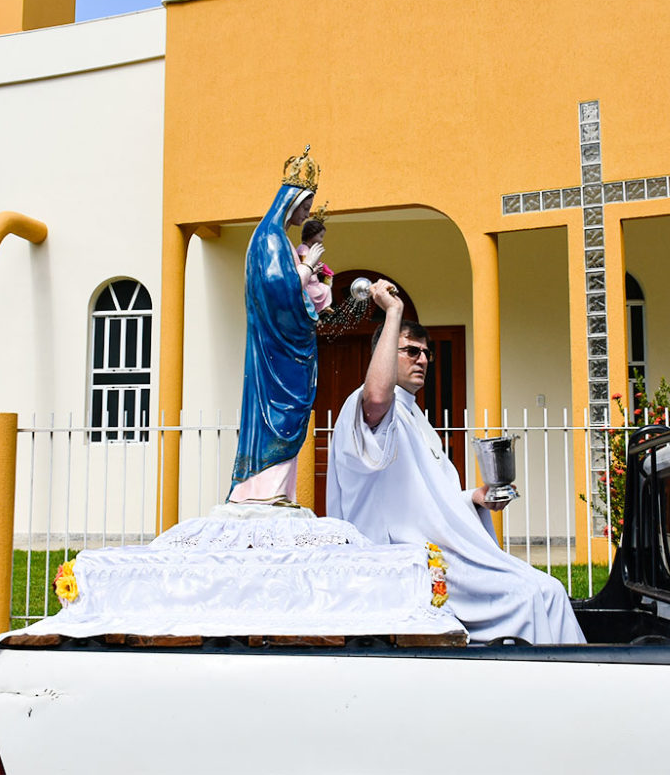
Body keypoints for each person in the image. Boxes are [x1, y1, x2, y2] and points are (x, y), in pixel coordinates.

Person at [326, 279, 586, 644]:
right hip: (403, 564)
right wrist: (393, 312)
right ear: (382, 354)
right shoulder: (368, 408)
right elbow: (377, 396)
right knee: (535, 596)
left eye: (426, 353)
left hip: (440, 553)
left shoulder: (416, 419)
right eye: (410, 351)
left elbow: (430, 502)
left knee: (549, 592)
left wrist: (474, 499)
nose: (423, 359)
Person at [229, 147, 324, 505]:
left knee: (283, 414)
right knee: (279, 413)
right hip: (275, 351)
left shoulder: (276, 237)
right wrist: (309, 268)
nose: (308, 212)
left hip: (277, 343)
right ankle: (263, 490)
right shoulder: (270, 237)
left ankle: (273, 490)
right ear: (291, 200)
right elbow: (276, 288)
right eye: (305, 205)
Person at [296, 218, 333, 314]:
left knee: (325, 288)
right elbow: (304, 266)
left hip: (314, 282)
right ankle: (319, 308)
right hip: (308, 284)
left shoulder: (309, 249)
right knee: (318, 291)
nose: (322, 240)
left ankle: (325, 306)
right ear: (312, 234)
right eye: (320, 236)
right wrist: (315, 269)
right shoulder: (303, 249)